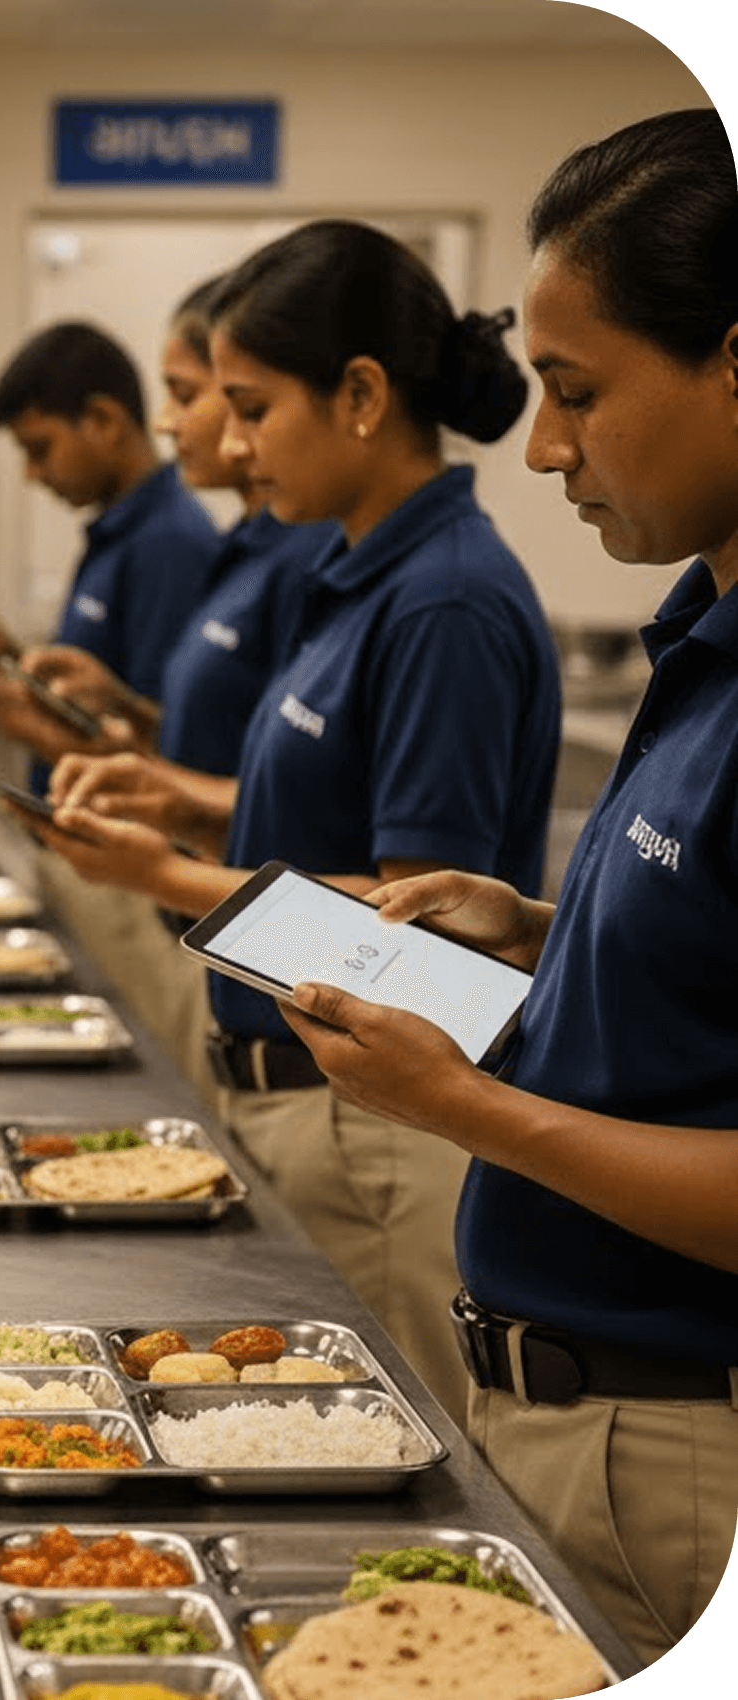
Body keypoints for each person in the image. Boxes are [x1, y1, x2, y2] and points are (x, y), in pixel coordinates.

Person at [280, 109, 738, 1662]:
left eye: (581, 393)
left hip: (678, 1455)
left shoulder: (467, 605)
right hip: (575, 1422)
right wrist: (541, 931)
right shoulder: (702, 633)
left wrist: (465, 1108)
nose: (544, 446)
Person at [29, 220, 564, 1426]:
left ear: (361, 396)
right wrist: (172, 796)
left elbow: (410, 938)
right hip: (294, 1092)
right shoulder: (350, 576)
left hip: (369, 1126)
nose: (223, 442)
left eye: (251, 407)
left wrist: (165, 871)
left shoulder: (444, 603)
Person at [0, 278, 333, 1097]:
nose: (176, 422)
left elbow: (413, 911)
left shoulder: (210, 546)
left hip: (219, 930)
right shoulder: (232, 545)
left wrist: (53, 734)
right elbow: (178, 744)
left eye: (213, 399)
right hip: (173, 891)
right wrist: (75, 698)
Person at [0, 319, 223, 987]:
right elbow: (110, 695)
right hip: (89, 857)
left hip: (131, 871)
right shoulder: (116, 529)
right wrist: (20, 667)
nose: (34, 474)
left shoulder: (171, 542)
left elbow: (156, 755)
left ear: (102, 419)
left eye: (41, 448)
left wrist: (22, 722)